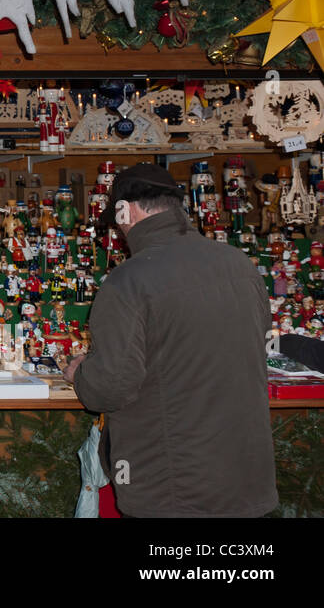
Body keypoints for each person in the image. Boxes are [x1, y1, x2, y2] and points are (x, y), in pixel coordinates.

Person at [64, 163, 276, 517]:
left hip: (174, 484)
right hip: (246, 475)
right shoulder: (240, 265)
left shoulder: (128, 281)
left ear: (125, 210)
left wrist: (81, 373)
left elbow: (110, 388)